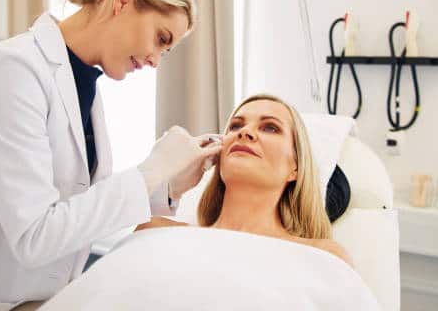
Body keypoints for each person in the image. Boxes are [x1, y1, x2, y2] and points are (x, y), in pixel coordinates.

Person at [0, 0, 222, 310]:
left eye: (165, 52)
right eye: (160, 38)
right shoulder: (12, 71)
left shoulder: (83, 85)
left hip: (33, 298)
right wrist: (151, 168)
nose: (155, 60)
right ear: (123, 1)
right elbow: (35, 236)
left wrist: (168, 185)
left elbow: (74, 204)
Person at [137, 94, 352, 267]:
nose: (246, 132)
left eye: (270, 127)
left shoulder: (323, 256)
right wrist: (171, 186)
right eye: (236, 126)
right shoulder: (154, 231)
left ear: (295, 168)